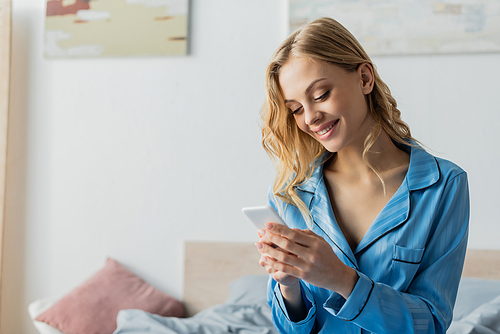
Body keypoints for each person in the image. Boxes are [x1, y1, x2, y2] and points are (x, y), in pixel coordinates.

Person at [255, 17, 469, 334]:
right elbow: (292, 330)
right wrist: (288, 286)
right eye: (296, 108)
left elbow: (430, 325)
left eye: (321, 94)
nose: (311, 117)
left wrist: (342, 280)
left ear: (365, 78)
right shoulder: (291, 195)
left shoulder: (443, 186)